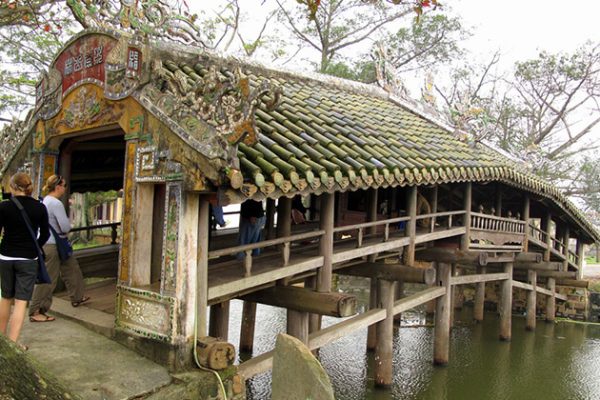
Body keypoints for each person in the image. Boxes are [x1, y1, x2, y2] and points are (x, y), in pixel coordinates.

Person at [0, 172, 50, 349]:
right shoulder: (39, 207)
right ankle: (13, 345)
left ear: (13, 187)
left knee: (6, 298)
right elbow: (45, 234)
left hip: (5, 257)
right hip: (28, 259)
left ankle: (1, 341)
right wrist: (34, 245)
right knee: (21, 302)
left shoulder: (4, 207)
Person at [29, 175, 89, 321]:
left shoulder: (43, 201)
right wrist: (71, 226)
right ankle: (36, 311)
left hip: (50, 243)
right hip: (53, 245)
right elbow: (65, 226)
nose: (65, 188)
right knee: (49, 278)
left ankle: (77, 296)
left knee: (72, 268)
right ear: (58, 187)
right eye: (64, 185)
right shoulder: (55, 203)